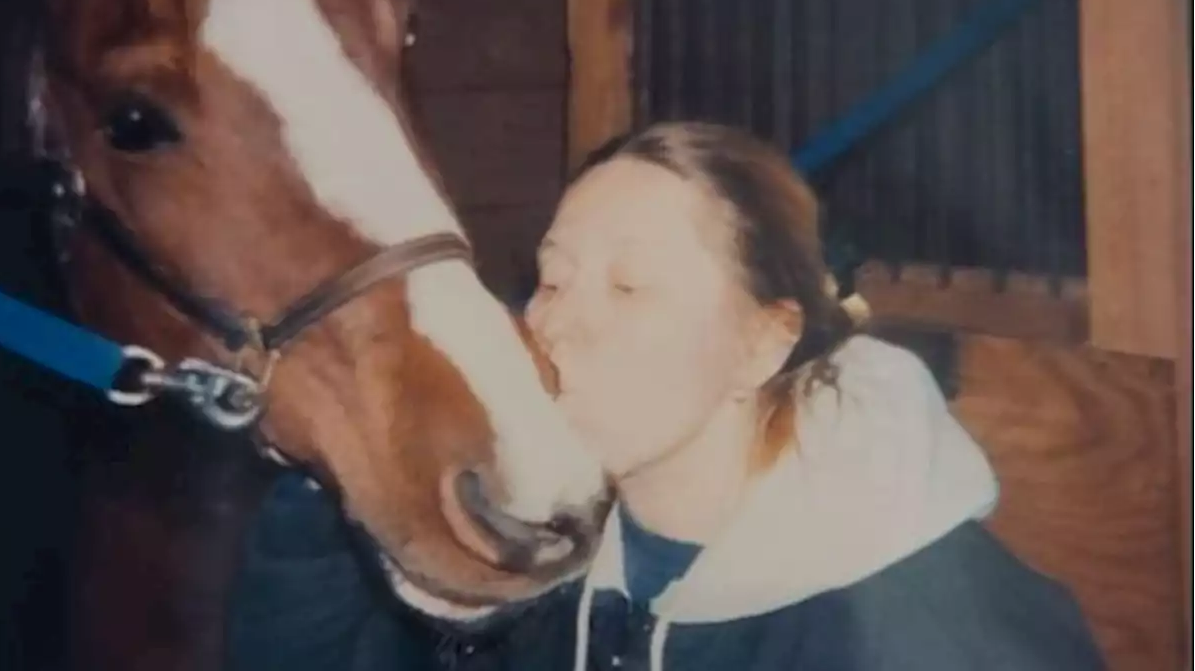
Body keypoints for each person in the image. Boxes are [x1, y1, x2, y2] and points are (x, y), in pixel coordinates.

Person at [223, 121, 1106, 671]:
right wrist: (339, 471)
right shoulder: (554, 542)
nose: (555, 325)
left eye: (629, 287)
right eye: (553, 279)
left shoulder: (934, 639)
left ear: (762, 341)